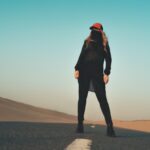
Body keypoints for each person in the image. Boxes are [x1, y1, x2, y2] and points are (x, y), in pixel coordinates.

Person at [74, 23, 116, 137]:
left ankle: (110, 126)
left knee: (102, 99)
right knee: (82, 98)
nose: (93, 30)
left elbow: (109, 59)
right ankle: (80, 124)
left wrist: (107, 73)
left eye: (96, 29)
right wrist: (77, 68)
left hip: (97, 74)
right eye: (92, 29)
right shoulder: (87, 41)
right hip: (84, 72)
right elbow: (81, 55)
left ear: (101, 30)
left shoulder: (104, 43)